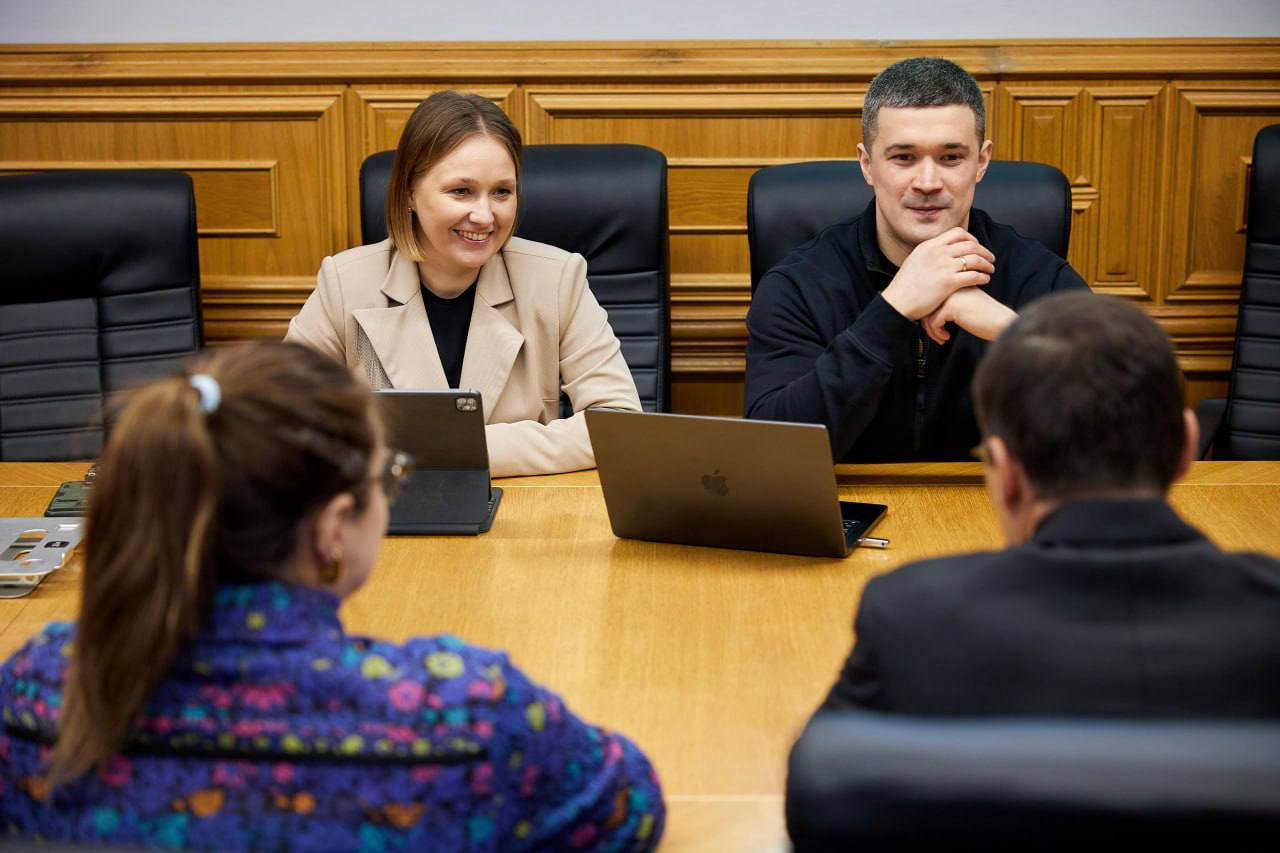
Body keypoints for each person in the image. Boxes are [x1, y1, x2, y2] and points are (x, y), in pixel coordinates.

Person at [0, 341, 664, 850]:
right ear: (333, 528)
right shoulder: (466, 713)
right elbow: (627, 807)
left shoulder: (34, 689)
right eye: (387, 477)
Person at [818, 292, 1280, 717]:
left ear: (1006, 473)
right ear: (1187, 446)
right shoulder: (1268, 615)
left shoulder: (912, 616)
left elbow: (827, 769)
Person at [744, 57, 1089, 462]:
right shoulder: (798, 285)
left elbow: (1118, 434)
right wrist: (893, 309)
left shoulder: (1042, 279)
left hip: (994, 498)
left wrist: (1012, 332)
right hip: (849, 500)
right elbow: (773, 453)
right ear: (867, 165)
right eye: (903, 157)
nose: (928, 183)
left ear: (981, 162)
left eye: (951, 157)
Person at [286, 91, 641, 477]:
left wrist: (461, 447)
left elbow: (618, 424)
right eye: (461, 191)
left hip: (522, 504)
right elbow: (282, 419)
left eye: (502, 192)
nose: (485, 216)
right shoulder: (345, 283)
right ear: (409, 192)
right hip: (392, 504)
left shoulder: (556, 279)